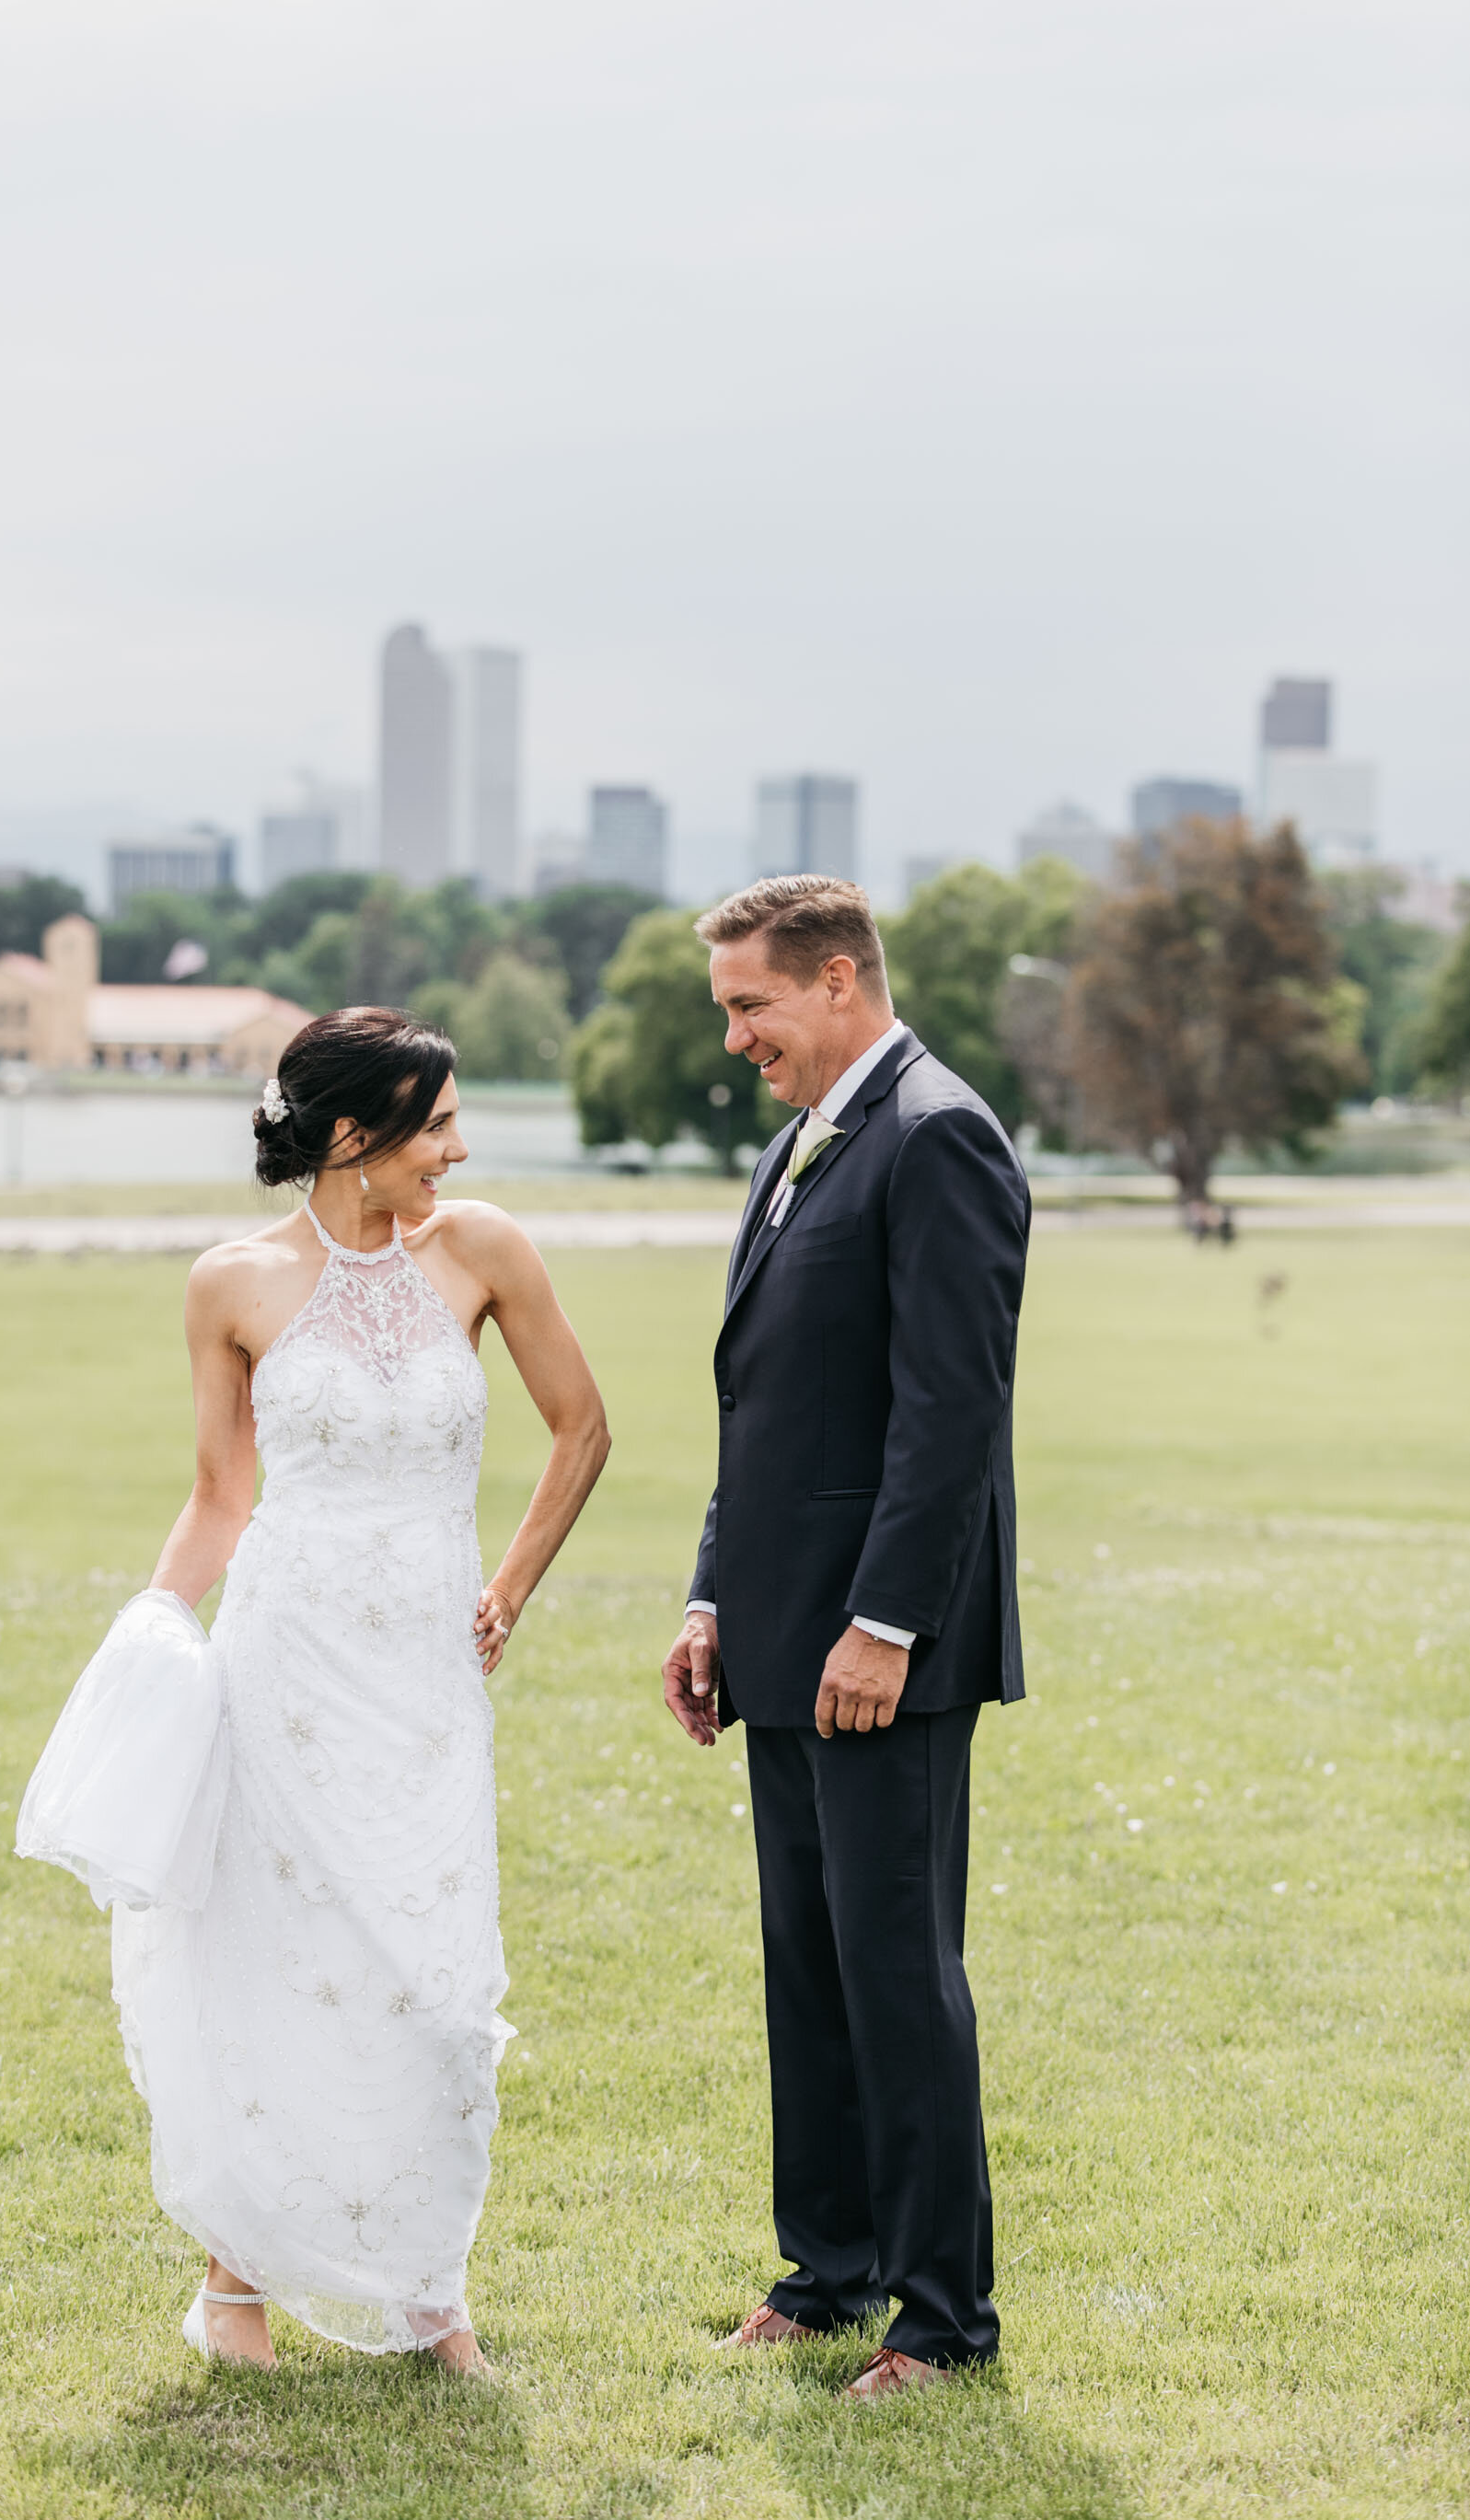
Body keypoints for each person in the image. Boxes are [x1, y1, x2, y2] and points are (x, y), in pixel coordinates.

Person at [112, 1007, 609, 2372]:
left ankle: (425, 2289)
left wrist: (507, 1584)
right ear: (352, 1136)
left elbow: (584, 1425)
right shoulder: (231, 1283)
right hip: (284, 1662)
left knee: (436, 1979)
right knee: (275, 1954)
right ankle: (236, 2285)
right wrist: (156, 1636)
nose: (457, 1147)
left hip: (426, 1679)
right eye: (434, 1124)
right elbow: (222, 1498)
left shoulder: (485, 1248)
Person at [660, 875, 1029, 2402]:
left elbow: (949, 1413)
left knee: (893, 1970)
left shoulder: (939, 1133)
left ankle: (939, 2320)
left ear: (835, 980)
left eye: (751, 1006)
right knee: (806, 1966)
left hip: (882, 1645)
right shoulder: (796, 1141)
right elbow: (769, 1409)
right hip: (777, 1635)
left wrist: (883, 1622)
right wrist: (709, 1597)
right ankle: (824, 2275)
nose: (736, 1039)